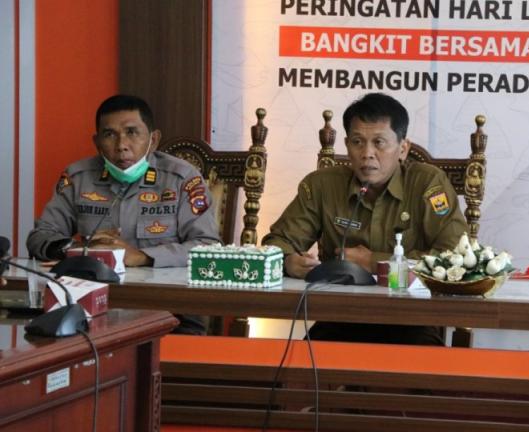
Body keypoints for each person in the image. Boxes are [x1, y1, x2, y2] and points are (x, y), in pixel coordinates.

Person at [262, 92, 469, 345]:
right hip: (339, 317)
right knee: (296, 373)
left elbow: (455, 259)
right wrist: (288, 261)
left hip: (411, 320)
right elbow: (277, 242)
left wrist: (375, 262)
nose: (367, 153)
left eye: (379, 143)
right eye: (358, 142)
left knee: (428, 376)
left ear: (403, 149)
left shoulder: (428, 185)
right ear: (347, 144)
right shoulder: (322, 186)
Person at [27, 94, 220, 334]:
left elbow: (207, 247)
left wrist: (143, 257)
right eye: (110, 135)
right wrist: (75, 251)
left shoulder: (182, 179)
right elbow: (40, 236)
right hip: (92, 309)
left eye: (132, 132)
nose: (121, 145)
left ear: (154, 139)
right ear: (97, 142)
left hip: (169, 312)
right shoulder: (78, 177)